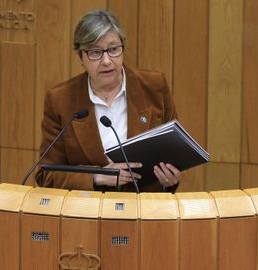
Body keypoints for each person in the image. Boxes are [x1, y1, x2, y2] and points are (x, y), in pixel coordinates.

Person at [35, 10, 182, 192]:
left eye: (113, 50)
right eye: (95, 52)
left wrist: (170, 180)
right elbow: (46, 174)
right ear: (80, 57)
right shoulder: (60, 100)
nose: (106, 61)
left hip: (144, 210)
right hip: (87, 212)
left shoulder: (154, 88)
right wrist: (96, 177)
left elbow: (174, 154)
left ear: (122, 48)